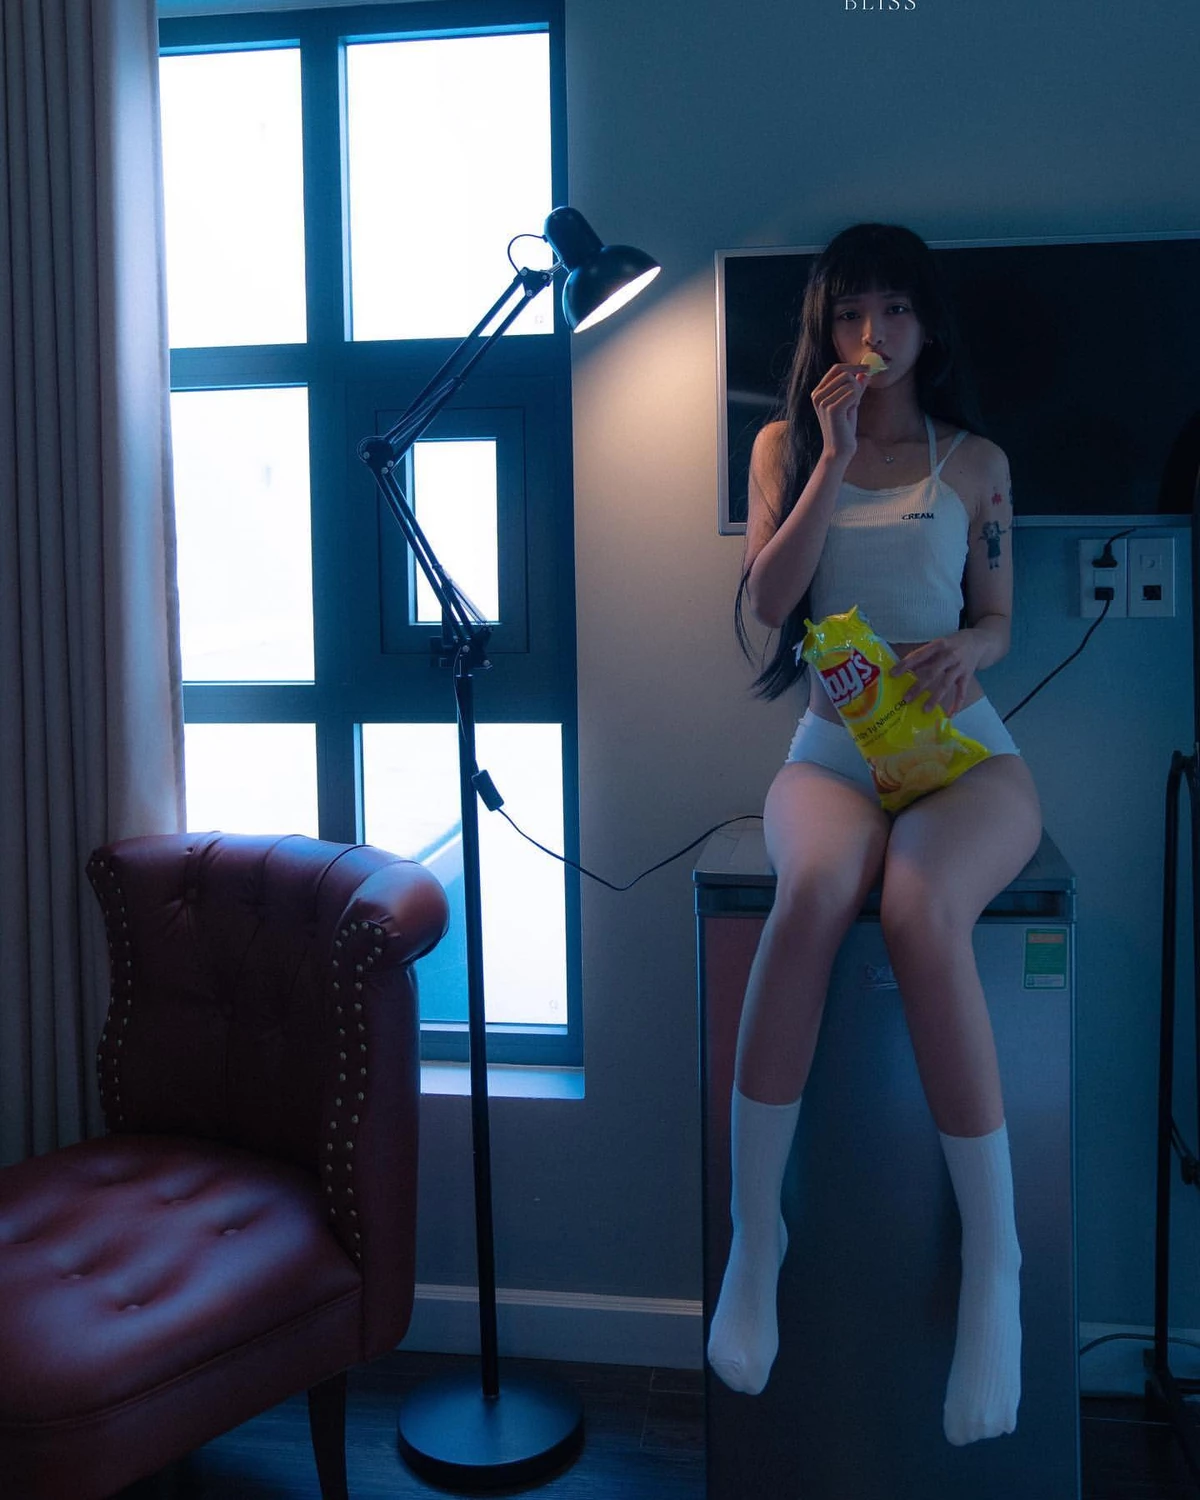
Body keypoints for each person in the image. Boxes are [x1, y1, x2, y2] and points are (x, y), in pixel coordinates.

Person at [709, 223, 1043, 1447]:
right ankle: (758, 1239)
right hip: (833, 749)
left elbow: (1000, 615)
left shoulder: (976, 462)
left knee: (919, 907)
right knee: (809, 893)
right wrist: (833, 458)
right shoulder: (782, 448)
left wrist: (970, 648)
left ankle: (996, 1265)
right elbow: (768, 600)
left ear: (926, 324)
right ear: (825, 325)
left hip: (962, 755)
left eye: (896, 308)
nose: (874, 332)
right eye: (853, 309)